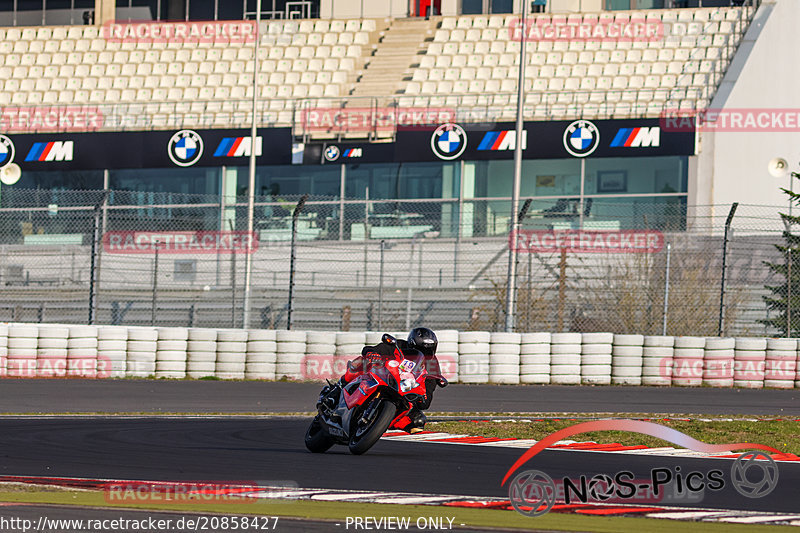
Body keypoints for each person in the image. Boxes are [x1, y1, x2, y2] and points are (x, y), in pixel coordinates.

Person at [333, 328, 446, 433]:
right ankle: (338, 387)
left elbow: (427, 398)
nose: (425, 354)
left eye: (429, 350)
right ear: (411, 344)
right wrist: (372, 354)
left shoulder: (433, 365)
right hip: (382, 376)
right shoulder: (398, 345)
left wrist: (423, 396)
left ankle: (378, 424)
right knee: (362, 362)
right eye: (422, 349)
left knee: (417, 421)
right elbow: (369, 349)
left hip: (403, 391)